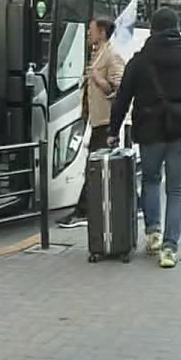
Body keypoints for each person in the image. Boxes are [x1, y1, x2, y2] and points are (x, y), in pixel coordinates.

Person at [107, 7, 181, 268]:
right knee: (177, 189)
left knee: (151, 180)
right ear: (176, 28)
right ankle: (169, 248)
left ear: (152, 29)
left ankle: (153, 232)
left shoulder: (140, 60)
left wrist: (113, 131)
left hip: (149, 132)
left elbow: (123, 98)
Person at [58, 15, 126, 229]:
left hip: (106, 121)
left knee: (94, 167)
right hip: (96, 120)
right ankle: (135, 202)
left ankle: (83, 211)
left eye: (92, 29)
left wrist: (98, 79)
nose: (88, 33)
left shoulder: (112, 55)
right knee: (101, 166)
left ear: (103, 32)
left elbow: (119, 89)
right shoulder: (97, 54)